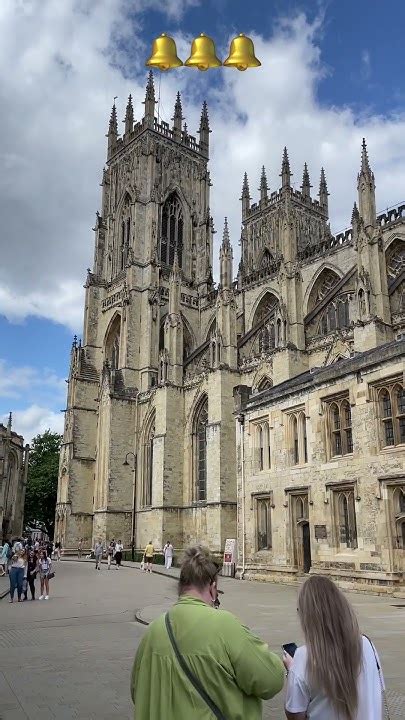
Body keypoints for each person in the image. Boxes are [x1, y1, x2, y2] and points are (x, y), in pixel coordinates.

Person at [131, 545, 284, 719]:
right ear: (212, 588)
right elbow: (271, 681)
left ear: (181, 587)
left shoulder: (153, 631)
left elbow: (137, 690)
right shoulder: (224, 625)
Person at [283, 575, 384, 720]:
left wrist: (291, 670)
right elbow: (376, 693)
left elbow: (294, 715)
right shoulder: (367, 645)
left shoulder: (303, 657)